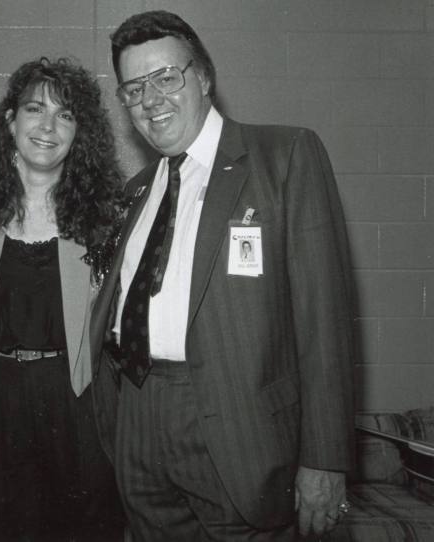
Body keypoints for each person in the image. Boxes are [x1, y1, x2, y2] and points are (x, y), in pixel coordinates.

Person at [90, 11, 355, 541]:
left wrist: (325, 459)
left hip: (239, 434)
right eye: (133, 89)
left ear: (204, 77)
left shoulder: (284, 156)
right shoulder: (136, 191)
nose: (151, 99)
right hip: (139, 419)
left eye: (166, 77)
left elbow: (324, 322)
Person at [0, 57, 125, 541]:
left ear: (79, 132)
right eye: (34, 109)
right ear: (10, 121)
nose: (48, 126)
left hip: (80, 409)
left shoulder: (108, 223)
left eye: (65, 115)